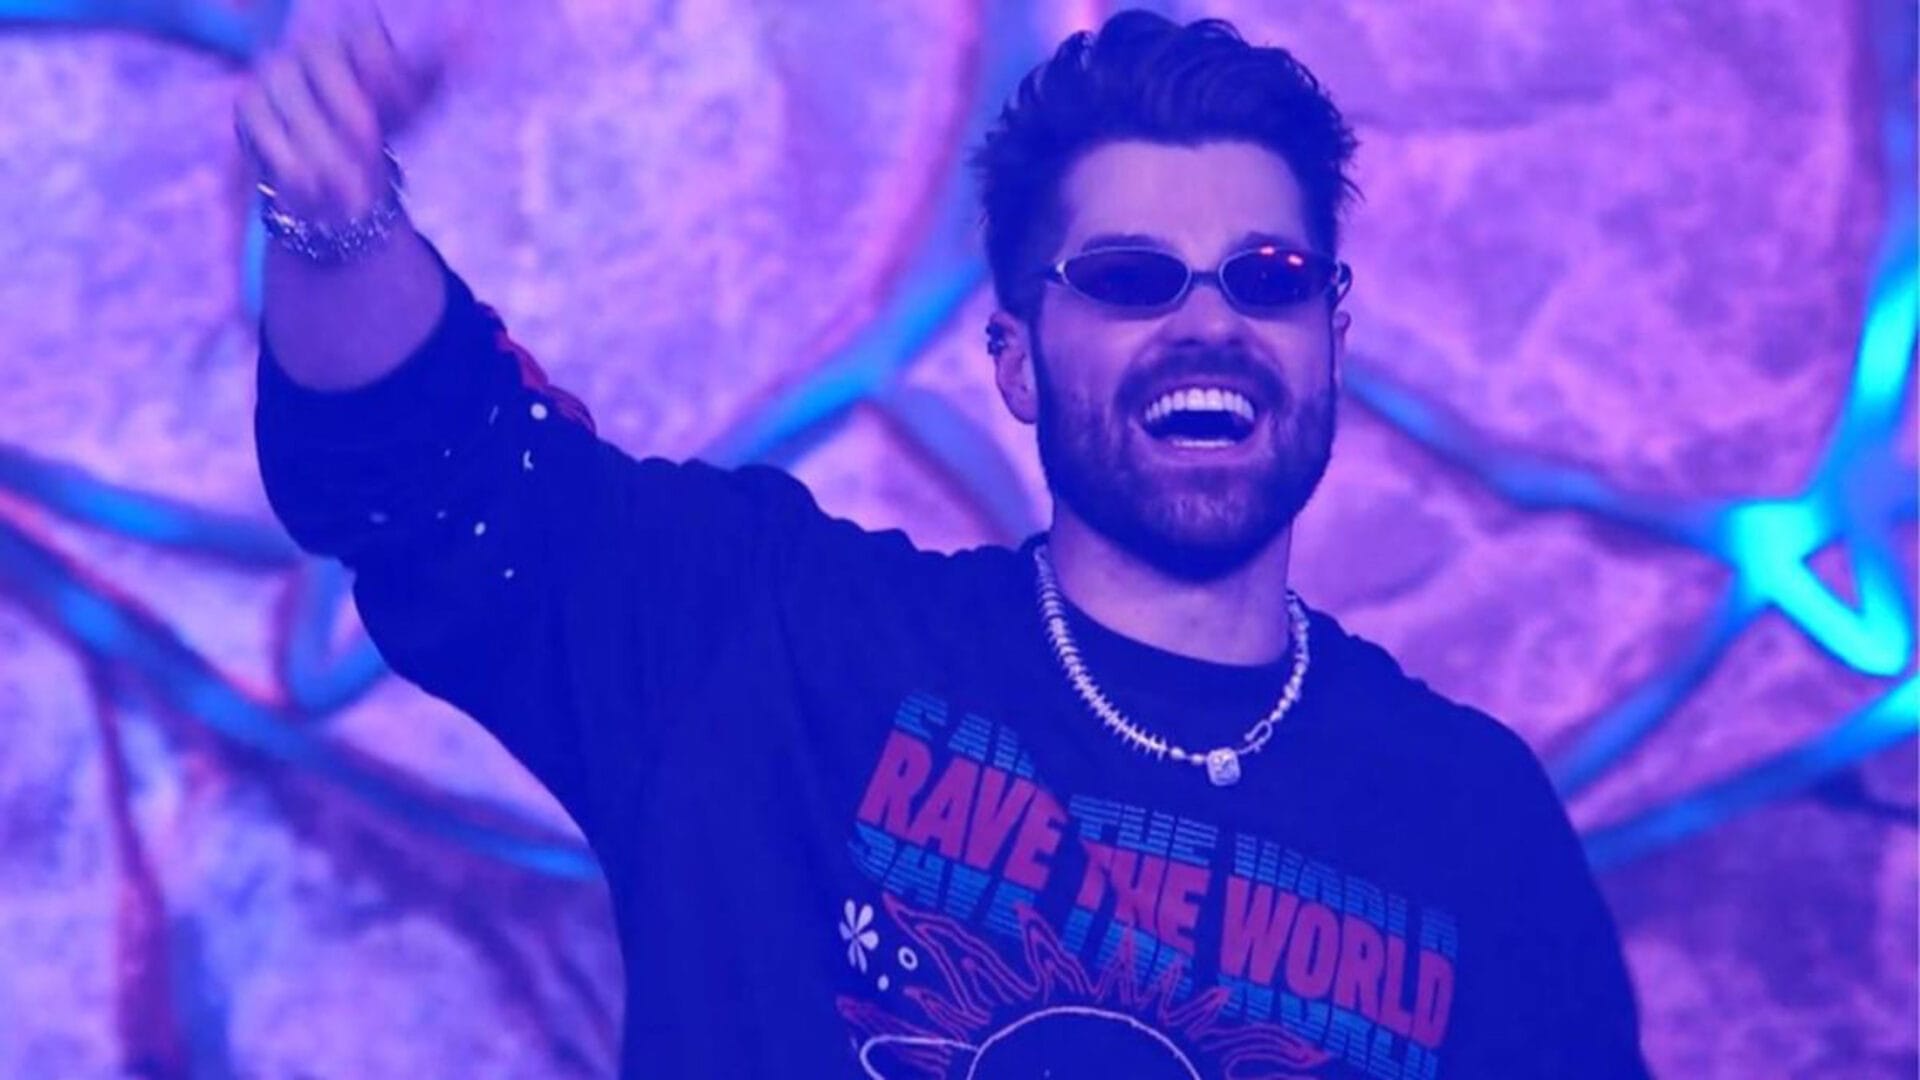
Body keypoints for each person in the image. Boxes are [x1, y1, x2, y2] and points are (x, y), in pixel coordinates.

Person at [241, 8, 1651, 1078]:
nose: (1209, 323)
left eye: (1266, 279)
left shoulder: (1473, 821)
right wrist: (335, 215)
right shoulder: (775, 642)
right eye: (1130, 279)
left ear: (1329, 336)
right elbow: (435, 476)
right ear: (1016, 359)